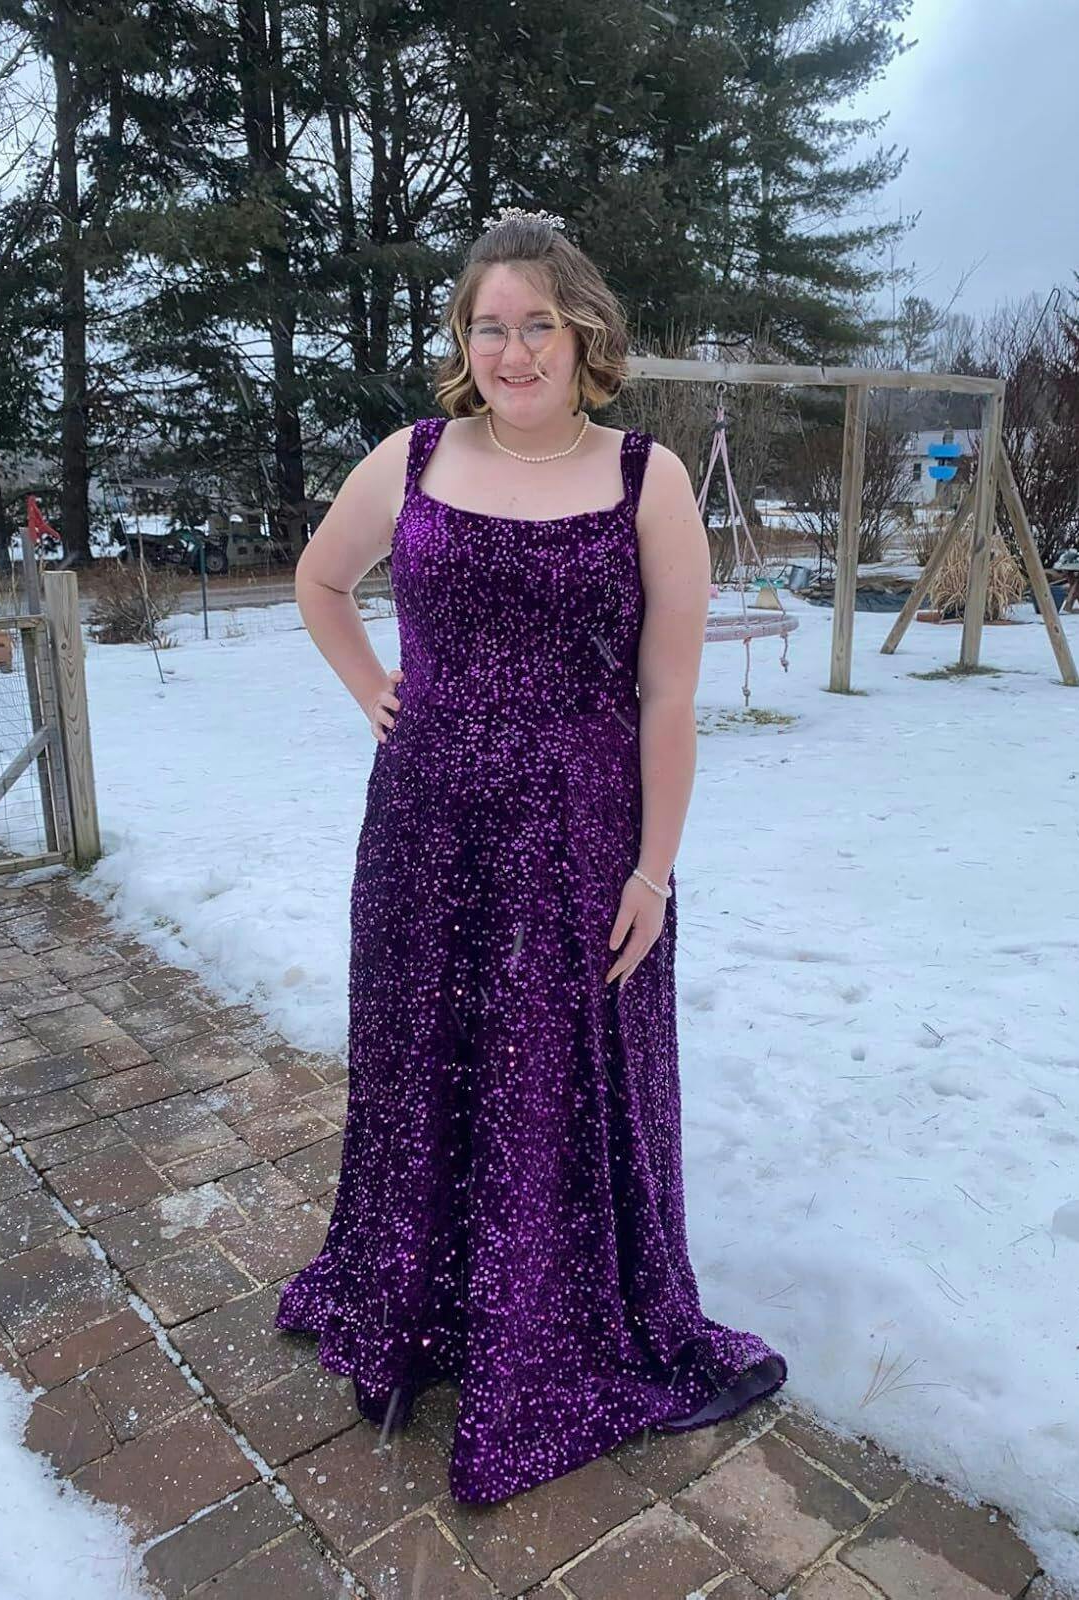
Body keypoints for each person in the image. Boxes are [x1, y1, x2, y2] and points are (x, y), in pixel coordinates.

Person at [275, 205, 787, 1505]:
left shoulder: (646, 479)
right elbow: (321, 581)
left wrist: (653, 872)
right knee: (426, 1066)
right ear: (464, 338)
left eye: (537, 325)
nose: (512, 351)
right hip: (425, 830)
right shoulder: (412, 458)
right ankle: (417, 1312)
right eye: (488, 326)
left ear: (583, 332)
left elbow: (669, 697)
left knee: (552, 1088)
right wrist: (372, 687)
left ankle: (547, 1336)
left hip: (579, 843)